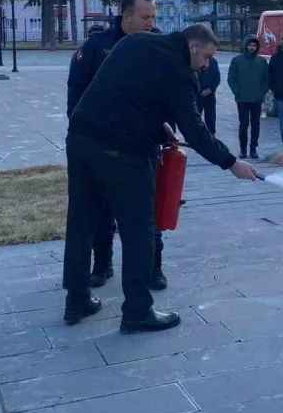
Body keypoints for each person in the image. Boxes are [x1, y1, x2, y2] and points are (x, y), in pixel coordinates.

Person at [64, 23, 258, 333]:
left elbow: (128, 94)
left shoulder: (137, 41)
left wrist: (158, 128)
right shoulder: (180, 73)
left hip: (81, 139)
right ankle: (138, 311)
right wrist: (231, 162)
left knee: (80, 224)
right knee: (139, 228)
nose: (206, 65)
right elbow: (196, 130)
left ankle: (76, 301)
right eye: (206, 57)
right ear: (194, 46)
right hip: (122, 153)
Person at [67, 0, 164, 290]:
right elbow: (76, 96)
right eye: (145, 17)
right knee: (101, 212)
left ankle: (153, 267)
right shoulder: (97, 48)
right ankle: (103, 264)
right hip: (102, 147)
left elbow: (165, 93)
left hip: (143, 145)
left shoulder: (158, 46)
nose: (151, 23)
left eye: (153, 18)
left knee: (148, 211)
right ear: (126, 16)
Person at [227, 35, 269, 159]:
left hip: (256, 99)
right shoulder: (237, 60)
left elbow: (266, 79)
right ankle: (243, 149)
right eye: (250, 45)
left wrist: (261, 93)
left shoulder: (261, 61)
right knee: (243, 125)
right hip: (242, 99)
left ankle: (253, 148)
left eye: (254, 45)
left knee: (256, 125)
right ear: (245, 46)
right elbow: (231, 78)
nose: (252, 47)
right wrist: (237, 92)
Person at [196, 55, 220, 136]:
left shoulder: (213, 62)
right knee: (195, 118)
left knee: (211, 119)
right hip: (197, 96)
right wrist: (200, 91)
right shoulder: (195, 61)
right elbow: (192, 78)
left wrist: (210, 89)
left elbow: (217, 78)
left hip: (210, 95)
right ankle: (196, 137)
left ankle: (211, 138)